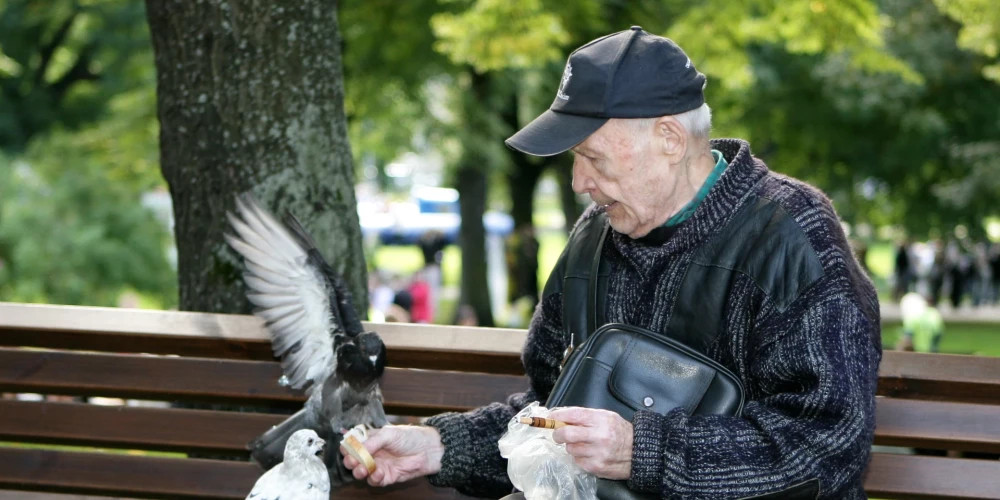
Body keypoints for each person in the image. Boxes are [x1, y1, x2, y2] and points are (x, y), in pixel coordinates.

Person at [342, 27, 881, 499]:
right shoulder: (595, 235)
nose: (578, 183)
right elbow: (552, 411)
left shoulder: (791, 234)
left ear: (668, 138)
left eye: (592, 157)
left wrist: (642, 452)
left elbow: (826, 445)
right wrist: (439, 447)